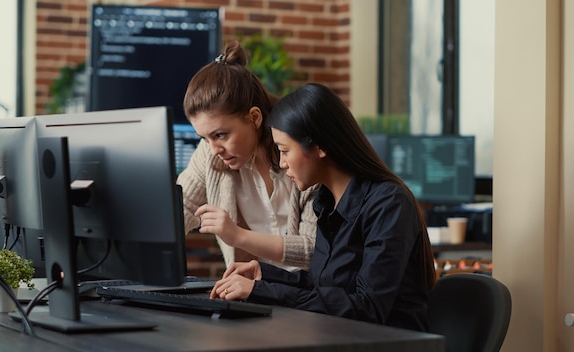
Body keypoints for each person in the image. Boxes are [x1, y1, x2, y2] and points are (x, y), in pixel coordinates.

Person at [209, 83, 436, 332]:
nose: (282, 163)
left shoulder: (388, 203)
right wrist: (265, 275)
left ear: (320, 146)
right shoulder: (326, 201)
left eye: (284, 151)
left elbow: (368, 308)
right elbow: (325, 285)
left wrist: (262, 291)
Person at [177, 40, 319, 270]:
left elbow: (313, 249)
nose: (214, 149)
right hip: (256, 293)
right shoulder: (210, 154)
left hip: (309, 297)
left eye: (221, 135)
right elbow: (179, 209)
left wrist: (237, 235)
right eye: (205, 138)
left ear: (254, 118)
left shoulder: (301, 152)